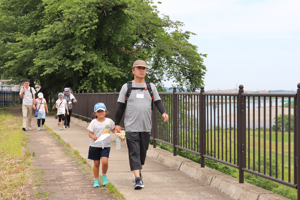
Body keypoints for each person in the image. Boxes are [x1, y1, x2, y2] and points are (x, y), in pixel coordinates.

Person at [115, 60, 169, 190]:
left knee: (142, 153)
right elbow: (120, 107)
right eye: (139, 68)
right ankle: (137, 179)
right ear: (133, 70)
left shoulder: (151, 87)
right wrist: (117, 124)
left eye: (144, 68)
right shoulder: (126, 87)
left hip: (146, 127)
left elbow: (158, 102)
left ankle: (138, 171)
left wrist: (164, 113)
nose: (141, 70)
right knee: (134, 152)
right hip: (131, 127)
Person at [87, 102, 117, 187]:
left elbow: (114, 130)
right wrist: (93, 137)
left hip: (105, 145)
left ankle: (104, 176)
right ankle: (96, 180)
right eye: (98, 111)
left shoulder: (109, 121)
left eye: (102, 111)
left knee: (104, 162)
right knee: (96, 163)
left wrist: (120, 135)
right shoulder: (93, 122)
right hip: (94, 145)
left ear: (106, 111)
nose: (100, 113)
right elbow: (90, 133)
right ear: (95, 113)